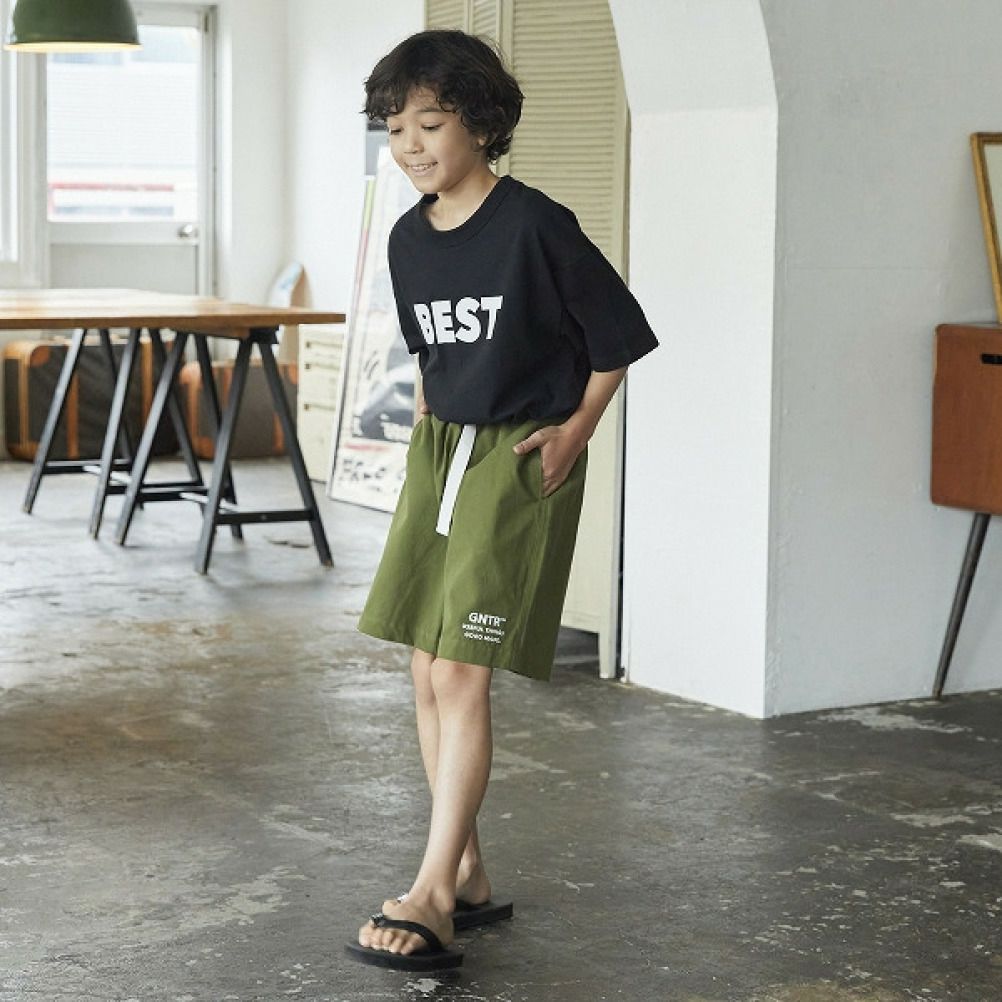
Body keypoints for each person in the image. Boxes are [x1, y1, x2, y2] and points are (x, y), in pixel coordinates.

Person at [346, 28, 658, 972]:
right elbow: (434, 358)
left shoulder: (534, 225)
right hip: (440, 453)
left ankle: (433, 895)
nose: (409, 145)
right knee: (422, 663)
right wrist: (424, 438)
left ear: (480, 123)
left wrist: (577, 430)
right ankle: (470, 871)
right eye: (395, 127)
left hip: (516, 456)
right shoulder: (409, 238)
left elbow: (618, 337)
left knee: (460, 673)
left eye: (429, 123)